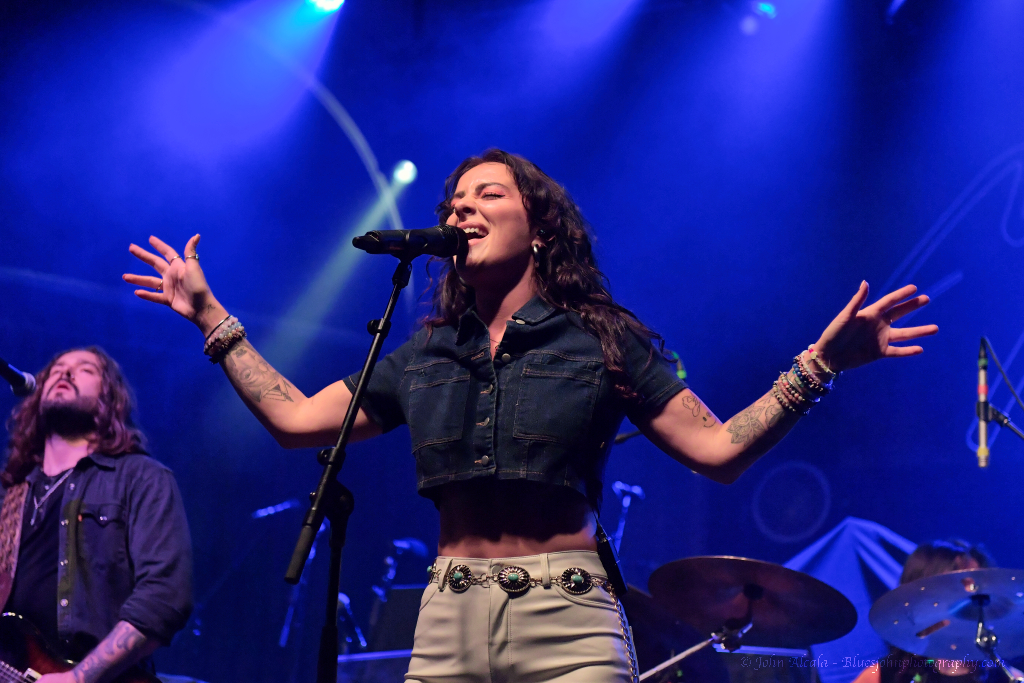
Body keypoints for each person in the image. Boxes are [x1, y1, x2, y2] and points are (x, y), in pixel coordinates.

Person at [124, 149, 937, 682]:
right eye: (454, 201)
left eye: (488, 194)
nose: (461, 209)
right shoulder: (424, 354)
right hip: (445, 619)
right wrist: (211, 320)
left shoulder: (604, 341)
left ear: (540, 228)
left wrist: (821, 362)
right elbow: (300, 420)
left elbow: (717, 448)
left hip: (570, 619)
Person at [0, 347, 193, 683]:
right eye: (57, 368)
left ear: (109, 398)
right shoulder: (9, 494)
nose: (65, 373)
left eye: (85, 369)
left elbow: (164, 598)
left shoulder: (142, 478)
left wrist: (80, 677)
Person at [852, 540, 1016, 683]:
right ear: (919, 596)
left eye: (977, 586)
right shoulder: (883, 676)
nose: (971, 596)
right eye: (960, 584)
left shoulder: (1006, 676)